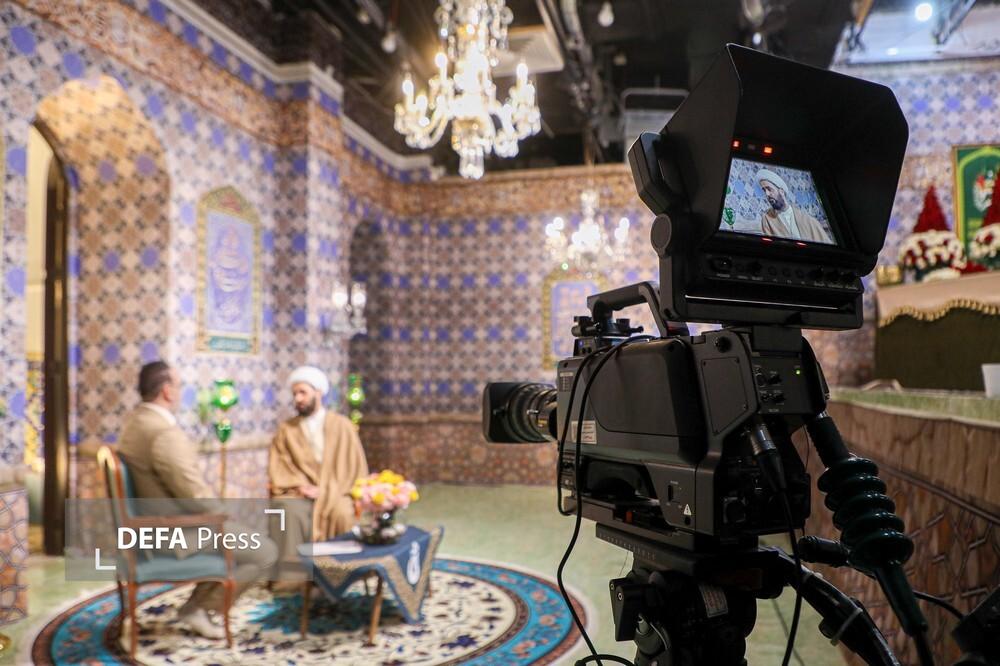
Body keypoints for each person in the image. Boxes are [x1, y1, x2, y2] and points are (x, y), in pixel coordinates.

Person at [117, 361, 278, 639]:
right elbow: (193, 492)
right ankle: (198, 608)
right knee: (264, 553)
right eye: (179, 387)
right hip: (173, 533)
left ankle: (197, 606)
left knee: (241, 537)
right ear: (167, 391)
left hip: (147, 528)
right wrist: (224, 515)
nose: (180, 393)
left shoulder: (133, 424)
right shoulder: (162, 433)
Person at [268, 366, 369, 579]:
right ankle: (293, 579)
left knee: (341, 512)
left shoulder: (342, 425)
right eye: (295, 394)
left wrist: (327, 489)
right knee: (288, 510)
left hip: (337, 490)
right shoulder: (287, 429)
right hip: (299, 491)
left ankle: (339, 575)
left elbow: (354, 466)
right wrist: (301, 486)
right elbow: (280, 465)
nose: (298, 398)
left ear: (319, 393)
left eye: (303, 393)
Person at [757, 168, 833, 244]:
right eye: (764, 190)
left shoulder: (808, 220)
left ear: (781, 191)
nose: (767, 194)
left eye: (769, 189)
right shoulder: (767, 218)